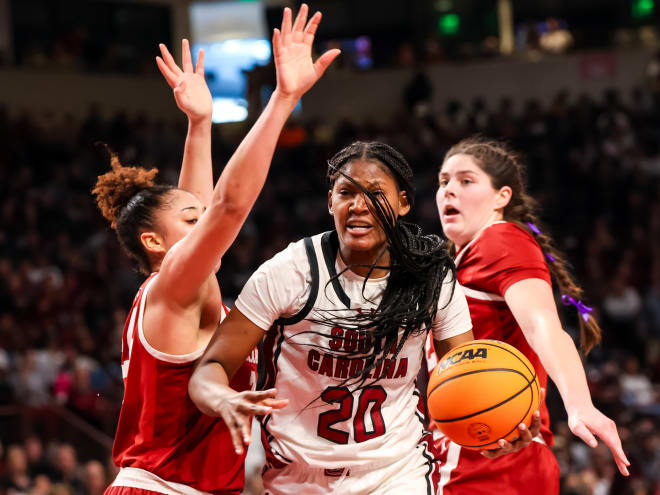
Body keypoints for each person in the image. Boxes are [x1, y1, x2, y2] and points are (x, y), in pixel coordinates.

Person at [188, 139, 543, 494]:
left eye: (375, 194)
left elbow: (467, 375)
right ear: (331, 202)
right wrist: (222, 398)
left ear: (402, 203)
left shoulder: (431, 275)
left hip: (395, 471)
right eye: (346, 193)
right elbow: (209, 368)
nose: (359, 206)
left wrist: (492, 429)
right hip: (295, 476)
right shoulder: (289, 272)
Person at [96, 6, 339, 495]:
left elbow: (205, 206)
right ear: (153, 243)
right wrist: (282, 100)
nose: (202, 222)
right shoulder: (169, 288)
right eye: (190, 221)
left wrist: (200, 125)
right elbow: (226, 208)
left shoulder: (182, 292)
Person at [427, 136, 630, 494]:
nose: (449, 191)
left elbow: (542, 325)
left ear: (502, 197)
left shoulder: (499, 239)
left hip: (493, 458)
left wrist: (580, 404)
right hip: (481, 452)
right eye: (443, 181)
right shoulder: (461, 260)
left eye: (466, 180)